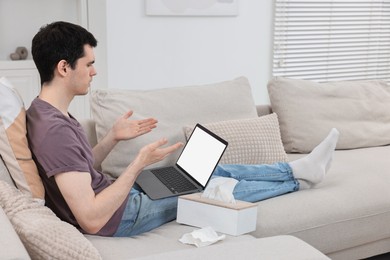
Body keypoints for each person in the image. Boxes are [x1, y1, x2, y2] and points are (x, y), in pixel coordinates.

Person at [27, 21, 339, 237]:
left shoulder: (47, 112)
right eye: (89, 64)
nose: (95, 71)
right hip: (122, 216)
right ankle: (299, 181)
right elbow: (91, 219)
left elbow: (78, 168)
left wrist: (112, 138)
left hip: (118, 199)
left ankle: (294, 168)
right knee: (212, 190)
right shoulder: (54, 131)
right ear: (64, 68)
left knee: (213, 173)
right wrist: (137, 165)